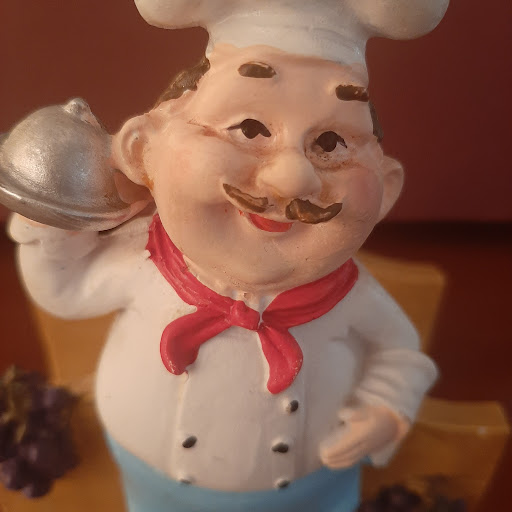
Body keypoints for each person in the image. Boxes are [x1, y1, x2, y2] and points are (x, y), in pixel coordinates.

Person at [9, 1, 449, 511]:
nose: (292, 178)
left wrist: (386, 409)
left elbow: (400, 353)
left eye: (331, 142)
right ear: (143, 149)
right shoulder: (143, 259)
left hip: (310, 491)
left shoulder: (352, 296)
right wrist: (53, 219)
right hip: (153, 482)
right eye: (250, 129)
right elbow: (65, 291)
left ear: (386, 190)